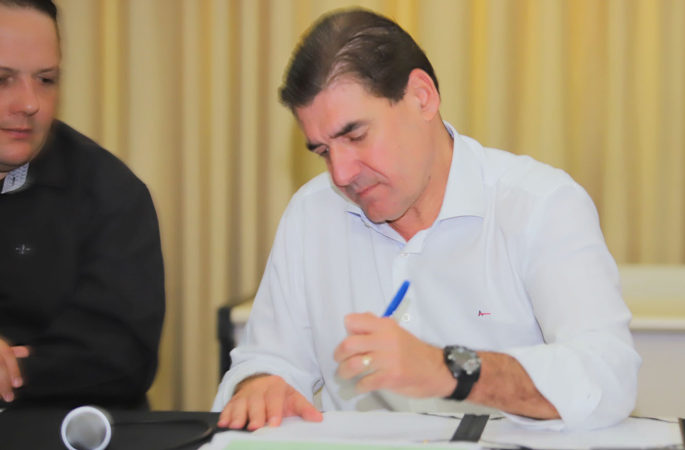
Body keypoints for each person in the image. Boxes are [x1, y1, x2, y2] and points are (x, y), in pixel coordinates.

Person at [214, 8, 640, 430]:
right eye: (324, 151)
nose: (341, 174)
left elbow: (607, 376)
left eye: (356, 136)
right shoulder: (311, 215)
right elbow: (268, 359)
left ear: (422, 97)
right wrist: (260, 384)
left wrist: (451, 370)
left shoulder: (538, 205)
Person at [0, 0, 165, 409]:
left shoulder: (111, 194)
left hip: (56, 428)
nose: (29, 103)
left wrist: (14, 370)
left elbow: (119, 357)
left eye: (46, 80)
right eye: (2, 80)